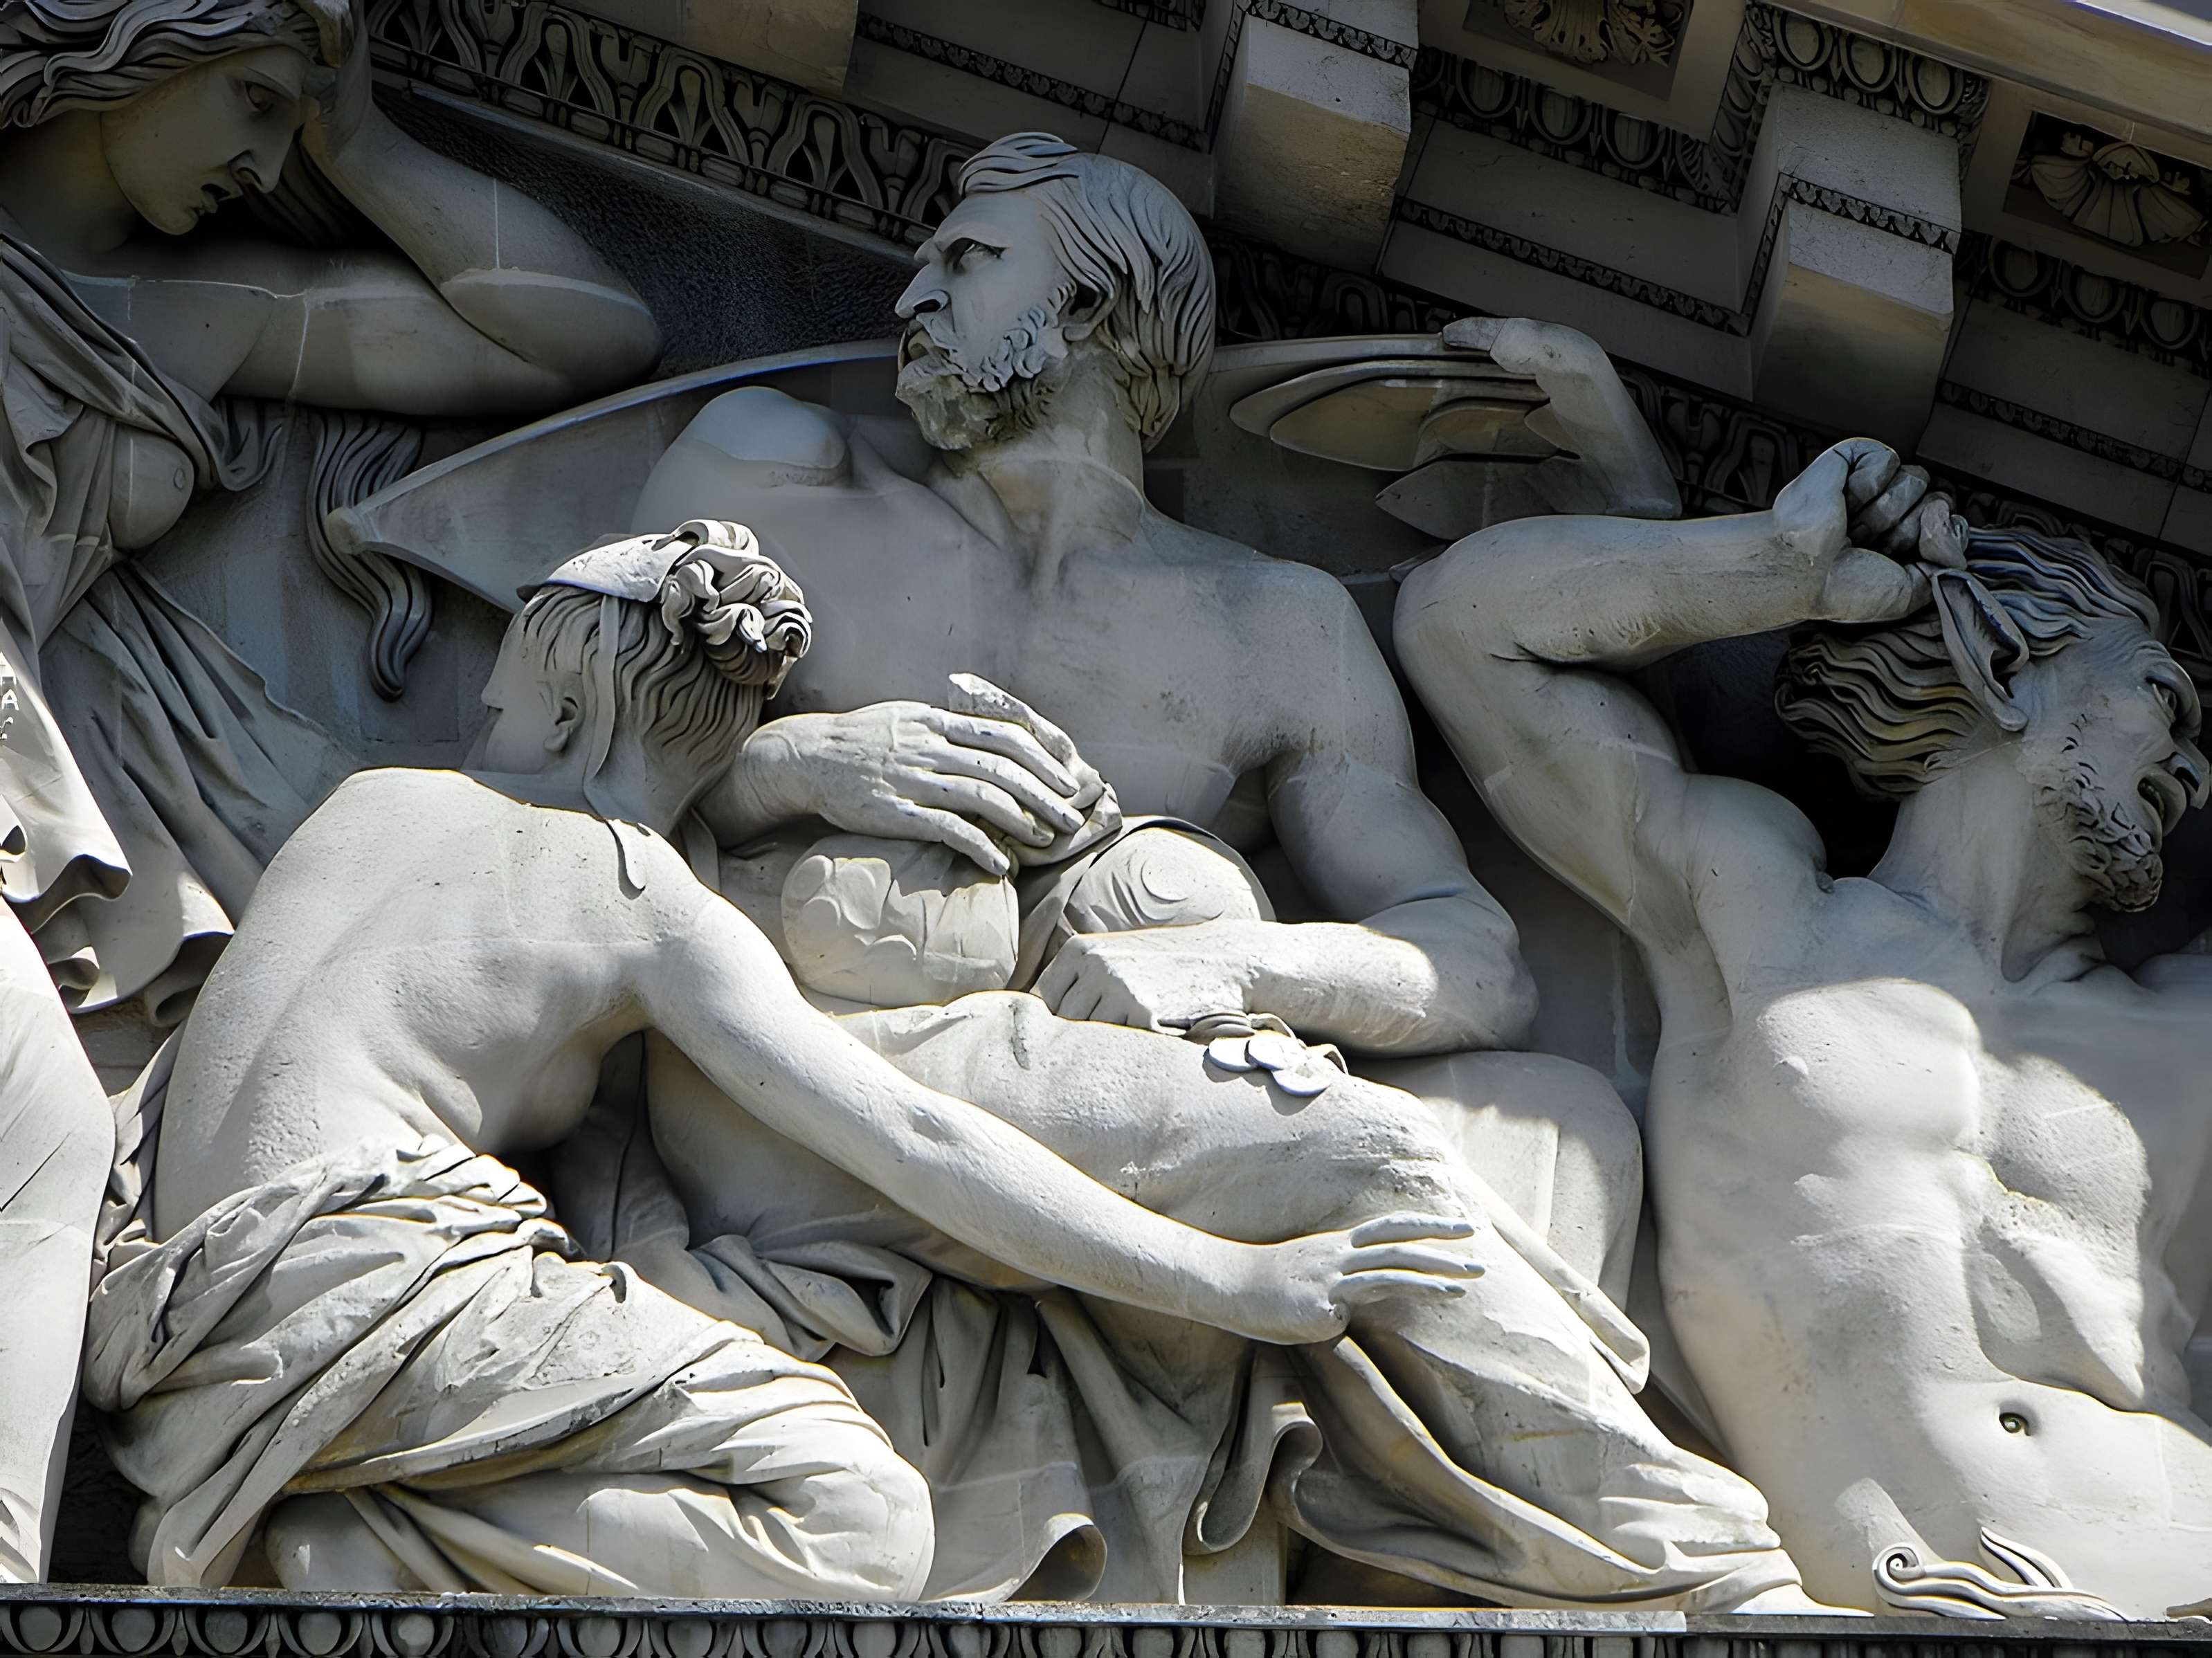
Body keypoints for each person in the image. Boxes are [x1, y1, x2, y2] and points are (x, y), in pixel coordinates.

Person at [84, 520, 1481, 1597]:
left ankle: (361, 1513)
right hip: (379, 1285)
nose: (488, 737)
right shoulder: (642, 900)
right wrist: (1230, 1278)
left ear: (562, 712)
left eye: (500, 706)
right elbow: (920, 1141)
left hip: (173, 1319)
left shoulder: (367, 801)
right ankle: (368, 1556)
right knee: (862, 1520)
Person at [631, 133, 1646, 1306]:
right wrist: (799, 764)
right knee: (1391, 1171)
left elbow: (1472, 961)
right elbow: (555, 764)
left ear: (1090, 304)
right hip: (803, 1076)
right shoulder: (780, 481)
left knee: (1569, 1126)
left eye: (966, 259)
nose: (912, 294)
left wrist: (1228, 961)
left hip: (1108, 1102)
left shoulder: (1277, 626)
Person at [0, 0, 661, 1577]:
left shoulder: (194, 311)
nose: (262, 149)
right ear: (125, 41)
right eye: (248, 95)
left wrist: (358, 140)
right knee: (37, 1139)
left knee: (44, 1144)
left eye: (288, 116)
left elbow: (585, 336)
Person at [1396, 436, 2212, 1617]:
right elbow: (1455, 624)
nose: (2191, 769)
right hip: (1883, 1597)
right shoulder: (1766, 914)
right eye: (2162, 698)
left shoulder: (2189, 1029)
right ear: (2004, 664)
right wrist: (1773, 569)